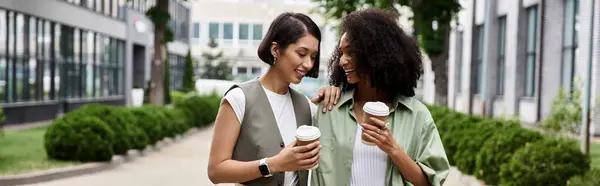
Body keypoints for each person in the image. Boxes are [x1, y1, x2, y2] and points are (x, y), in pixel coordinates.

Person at [311, 8, 450, 186]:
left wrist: (392, 148)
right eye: (341, 53)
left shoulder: (417, 115)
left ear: (376, 54)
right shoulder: (330, 108)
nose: (342, 60)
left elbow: (430, 182)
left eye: (351, 52)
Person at [208, 12, 323, 186]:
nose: (308, 64)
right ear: (275, 49)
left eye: (313, 57)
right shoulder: (239, 99)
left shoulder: (307, 106)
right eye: (301, 53)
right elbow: (216, 171)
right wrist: (273, 164)